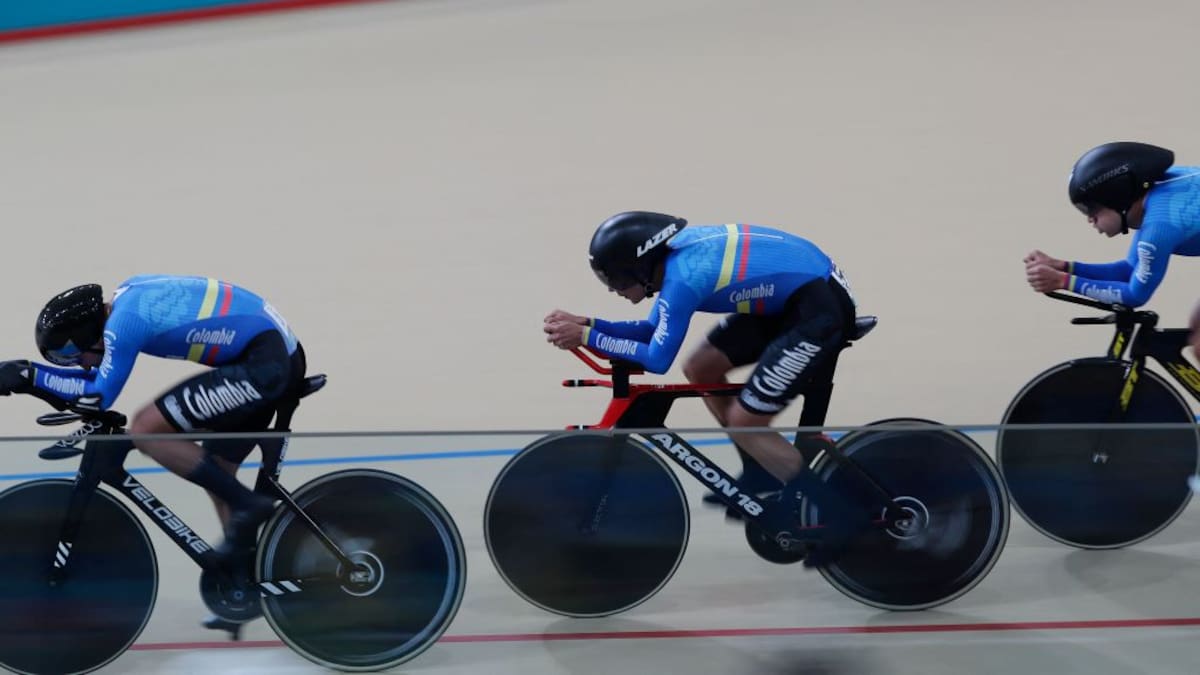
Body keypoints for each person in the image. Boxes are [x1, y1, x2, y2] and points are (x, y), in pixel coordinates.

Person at [543, 211, 871, 567]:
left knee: (746, 422)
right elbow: (650, 329)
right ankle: (760, 468)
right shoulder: (673, 264)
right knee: (701, 367)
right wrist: (589, 325)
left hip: (817, 310)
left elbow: (656, 358)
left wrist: (589, 337)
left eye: (616, 278)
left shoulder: (684, 279)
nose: (611, 288)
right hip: (792, 299)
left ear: (639, 266)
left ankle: (842, 519)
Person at [0, 276, 307, 632]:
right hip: (273, 353)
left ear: (86, 333)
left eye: (70, 356)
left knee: (146, 430)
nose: (78, 365)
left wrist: (27, 375)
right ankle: (243, 582)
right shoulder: (127, 297)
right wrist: (33, 379)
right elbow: (95, 381)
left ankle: (251, 506)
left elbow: (98, 394)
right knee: (217, 470)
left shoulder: (122, 324)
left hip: (264, 362)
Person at [1025, 141, 1200, 306]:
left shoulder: (1159, 227)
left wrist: (1062, 281)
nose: (1089, 219)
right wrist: (1064, 267)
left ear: (1119, 197)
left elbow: (1135, 295)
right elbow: (1129, 271)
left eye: (1091, 208)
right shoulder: (1153, 200)